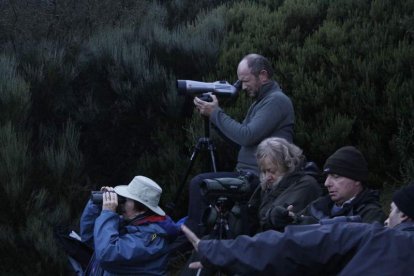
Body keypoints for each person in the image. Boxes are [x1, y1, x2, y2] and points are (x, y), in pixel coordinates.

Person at [181, 183, 414, 275]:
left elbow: (291, 247)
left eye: (391, 211)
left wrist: (216, 251)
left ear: (404, 215)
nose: (386, 219)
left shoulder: (381, 238)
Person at [186, 53, 295, 236]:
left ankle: (190, 240)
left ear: (262, 75)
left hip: (258, 179)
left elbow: (246, 136)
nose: (242, 87)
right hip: (247, 175)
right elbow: (240, 140)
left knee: (200, 184)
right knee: (205, 189)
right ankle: (204, 241)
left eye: (246, 80)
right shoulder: (260, 102)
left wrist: (216, 113)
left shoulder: (277, 100)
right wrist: (211, 117)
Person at [80, 175, 179, 275]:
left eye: (125, 199)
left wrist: (108, 214)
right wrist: (96, 205)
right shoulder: (130, 224)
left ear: (142, 208)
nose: (121, 203)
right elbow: (89, 237)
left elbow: (107, 254)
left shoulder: (152, 239)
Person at [267, 146, 385, 229]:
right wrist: (276, 217)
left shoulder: (371, 214)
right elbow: (293, 225)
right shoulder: (318, 206)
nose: (327, 183)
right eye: (327, 176)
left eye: (336, 176)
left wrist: (317, 228)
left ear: (357, 180)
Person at [248, 137, 323, 232]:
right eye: (264, 171)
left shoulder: (305, 185)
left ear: (287, 164)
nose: (267, 177)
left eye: (271, 171)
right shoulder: (270, 185)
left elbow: (274, 219)